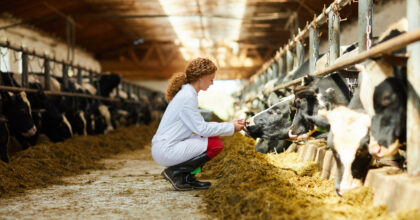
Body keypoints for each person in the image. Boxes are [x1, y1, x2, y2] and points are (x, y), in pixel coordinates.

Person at [151, 57, 245, 191]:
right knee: (215, 144)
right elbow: (202, 129)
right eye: (211, 79)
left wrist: (230, 124)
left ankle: (187, 177)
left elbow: (199, 126)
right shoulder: (187, 97)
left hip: (168, 145)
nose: (212, 83)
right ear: (201, 77)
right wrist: (231, 127)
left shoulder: (188, 94)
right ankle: (177, 173)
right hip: (167, 149)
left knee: (213, 140)